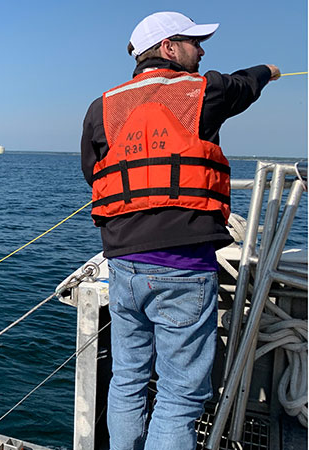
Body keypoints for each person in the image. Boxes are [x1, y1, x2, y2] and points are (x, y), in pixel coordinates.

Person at [80, 11, 280, 450]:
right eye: (194, 42)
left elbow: (92, 171)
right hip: (182, 267)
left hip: (123, 265)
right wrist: (270, 70)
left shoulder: (102, 106)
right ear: (169, 47)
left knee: (128, 378)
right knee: (179, 394)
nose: (202, 50)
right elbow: (245, 83)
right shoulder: (202, 91)